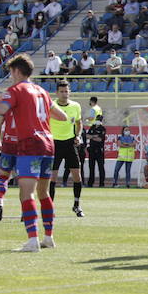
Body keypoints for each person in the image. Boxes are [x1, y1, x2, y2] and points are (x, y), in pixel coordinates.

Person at [0, 54, 68, 252]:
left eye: (11, 72)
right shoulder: (42, 91)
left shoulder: (17, 90)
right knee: (44, 193)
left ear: (17, 71)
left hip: (30, 144)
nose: (11, 76)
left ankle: (32, 240)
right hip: (48, 145)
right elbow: (61, 116)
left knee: (26, 193)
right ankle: (49, 237)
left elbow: (2, 108)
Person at [48, 80, 85, 217]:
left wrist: (78, 135)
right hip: (54, 143)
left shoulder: (76, 106)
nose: (64, 94)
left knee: (77, 175)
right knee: (52, 177)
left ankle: (76, 205)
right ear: (57, 93)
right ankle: (50, 207)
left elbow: (79, 122)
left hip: (70, 143)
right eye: (62, 91)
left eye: (66, 91)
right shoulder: (51, 106)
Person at [84, 115, 106, 188]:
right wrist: (94, 136)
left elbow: (100, 139)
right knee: (91, 167)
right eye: (97, 119)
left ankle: (101, 183)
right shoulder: (92, 127)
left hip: (99, 150)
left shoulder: (102, 129)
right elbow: (87, 136)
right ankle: (90, 183)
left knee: (101, 167)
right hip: (92, 150)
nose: (98, 121)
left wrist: (92, 136)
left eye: (100, 120)